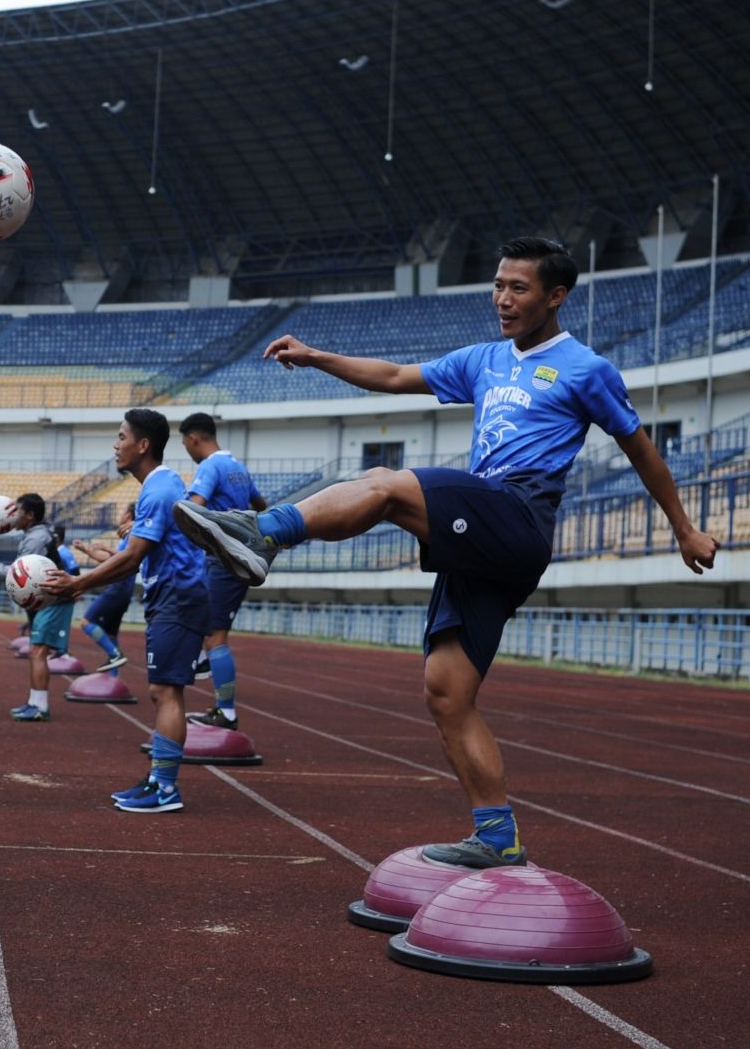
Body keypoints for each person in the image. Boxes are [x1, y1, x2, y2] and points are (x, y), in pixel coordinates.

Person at [174, 237, 720, 864]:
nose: (503, 299)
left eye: (518, 288)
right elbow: (396, 376)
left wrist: (683, 527)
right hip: (481, 538)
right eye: (497, 285)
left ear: (556, 296)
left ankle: (263, 533)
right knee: (445, 692)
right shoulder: (484, 359)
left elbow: (641, 449)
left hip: (518, 512)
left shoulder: (585, 368)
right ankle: (496, 835)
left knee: (384, 486)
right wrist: (316, 356)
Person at [45, 409, 208, 813]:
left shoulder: (158, 489)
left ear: (143, 445)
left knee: (166, 691)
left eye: (121, 437)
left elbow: (133, 557)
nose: (116, 445)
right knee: (162, 690)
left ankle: (166, 789)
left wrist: (77, 584)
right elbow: (129, 552)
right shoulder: (159, 486)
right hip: (171, 595)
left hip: (178, 596)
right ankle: (158, 780)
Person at [178, 413, 267, 730]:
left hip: (224, 559)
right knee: (207, 625)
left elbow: (193, 507)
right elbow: (261, 505)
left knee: (217, 637)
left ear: (192, 439)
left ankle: (226, 711)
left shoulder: (211, 466)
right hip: (235, 556)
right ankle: (203, 662)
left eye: (185, 444)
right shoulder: (238, 467)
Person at [0, 493, 69, 723]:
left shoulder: (37, 539)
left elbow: (21, 575)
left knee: (39, 651)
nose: (12, 516)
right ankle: (34, 702)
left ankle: (41, 706)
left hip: (55, 600)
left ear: (30, 515)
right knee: (36, 650)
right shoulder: (33, 535)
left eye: (17, 512)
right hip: (47, 599)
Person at [71, 520, 134, 677]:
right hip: (124, 591)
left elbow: (127, 558)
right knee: (110, 634)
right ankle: (114, 677)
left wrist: (106, 548)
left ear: (129, 515)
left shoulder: (133, 536)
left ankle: (115, 654)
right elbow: (109, 560)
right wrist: (85, 549)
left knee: (86, 622)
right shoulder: (128, 537)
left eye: (125, 512)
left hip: (117, 588)